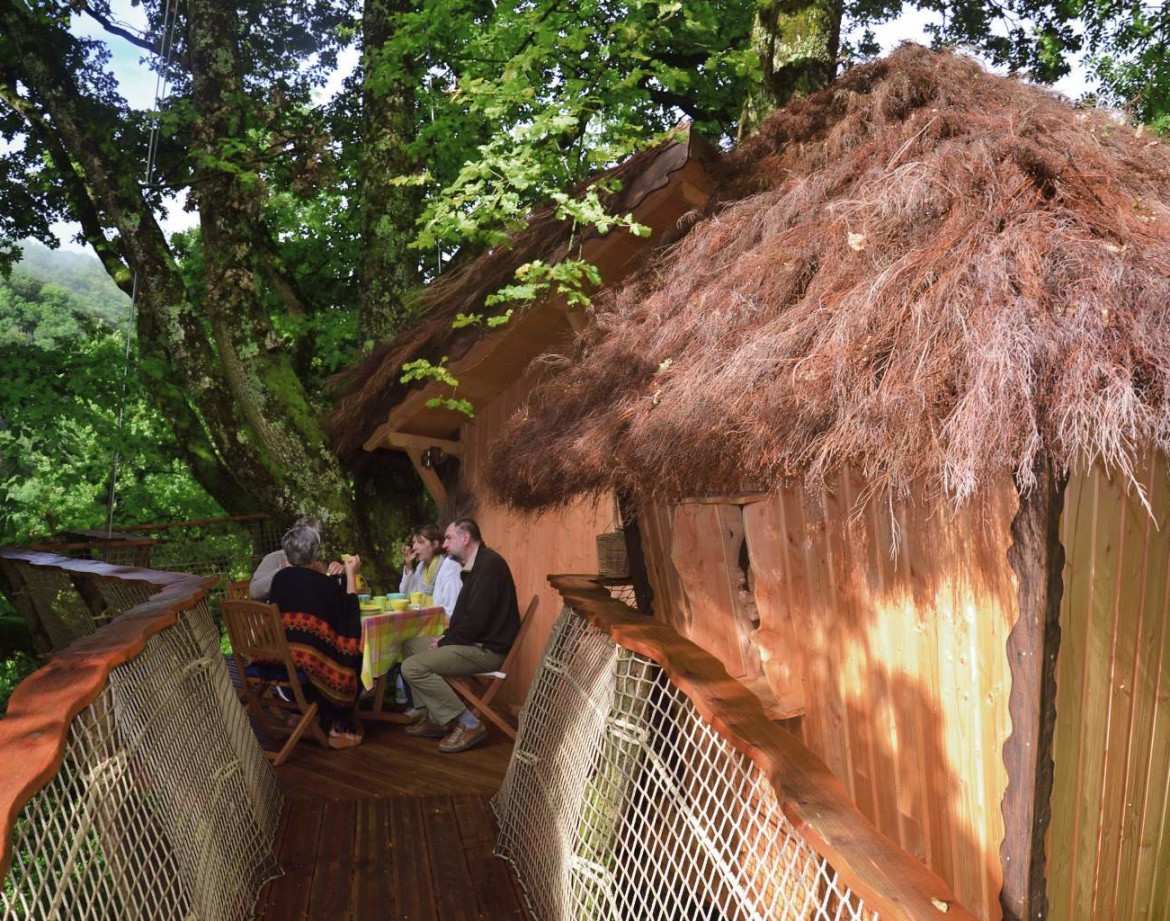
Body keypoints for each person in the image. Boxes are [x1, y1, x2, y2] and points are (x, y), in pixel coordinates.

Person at [401, 518, 519, 753]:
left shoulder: (489, 566)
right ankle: (436, 718)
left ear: (465, 539)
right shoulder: (475, 566)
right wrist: (446, 637)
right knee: (410, 645)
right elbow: (466, 617)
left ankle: (469, 723)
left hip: (487, 650)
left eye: (448, 538)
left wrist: (446, 641)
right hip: (474, 643)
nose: (444, 545)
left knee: (412, 667)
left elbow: (476, 622)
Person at [266, 521, 364, 750]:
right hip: (307, 664)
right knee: (352, 656)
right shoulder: (324, 585)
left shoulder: (279, 579)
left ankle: (307, 715)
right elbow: (350, 617)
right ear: (315, 554)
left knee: (325, 648)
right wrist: (350, 573)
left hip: (277, 657)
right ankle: (337, 724)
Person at [399, 524, 463, 618]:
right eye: (414, 542)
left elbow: (452, 607)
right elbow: (407, 596)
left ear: (435, 544)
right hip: (424, 620)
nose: (414, 547)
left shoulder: (449, 567)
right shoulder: (421, 567)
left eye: (420, 542)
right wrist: (408, 566)